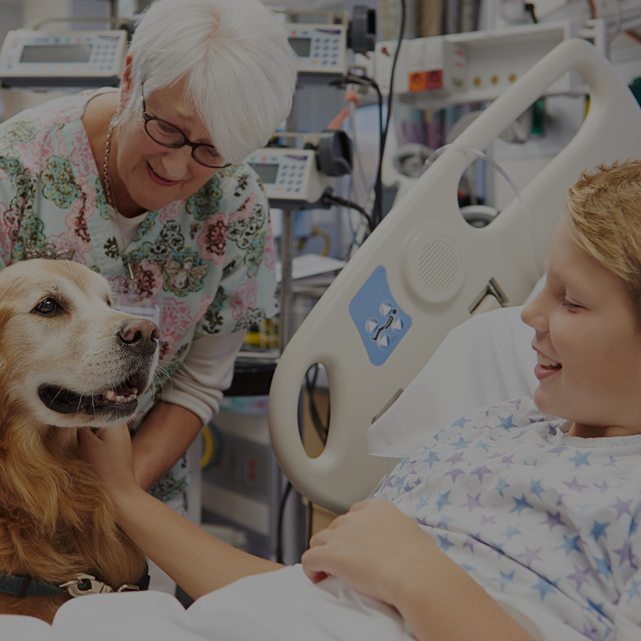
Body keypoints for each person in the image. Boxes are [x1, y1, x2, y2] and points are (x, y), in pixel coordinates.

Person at [80, 160, 641, 640]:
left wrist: (419, 579)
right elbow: (295, 599)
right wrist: (122, 494)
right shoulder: (490, 431)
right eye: (543, 283)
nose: (528, 314)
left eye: (570, 301)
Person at [0, 0, 296, 565]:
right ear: (132, 75)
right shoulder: (15, 173)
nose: (181, 168)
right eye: (169, 129)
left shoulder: (236, 207)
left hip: (136, 510)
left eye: (212, 150)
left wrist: (115, 497)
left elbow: (198, 384)